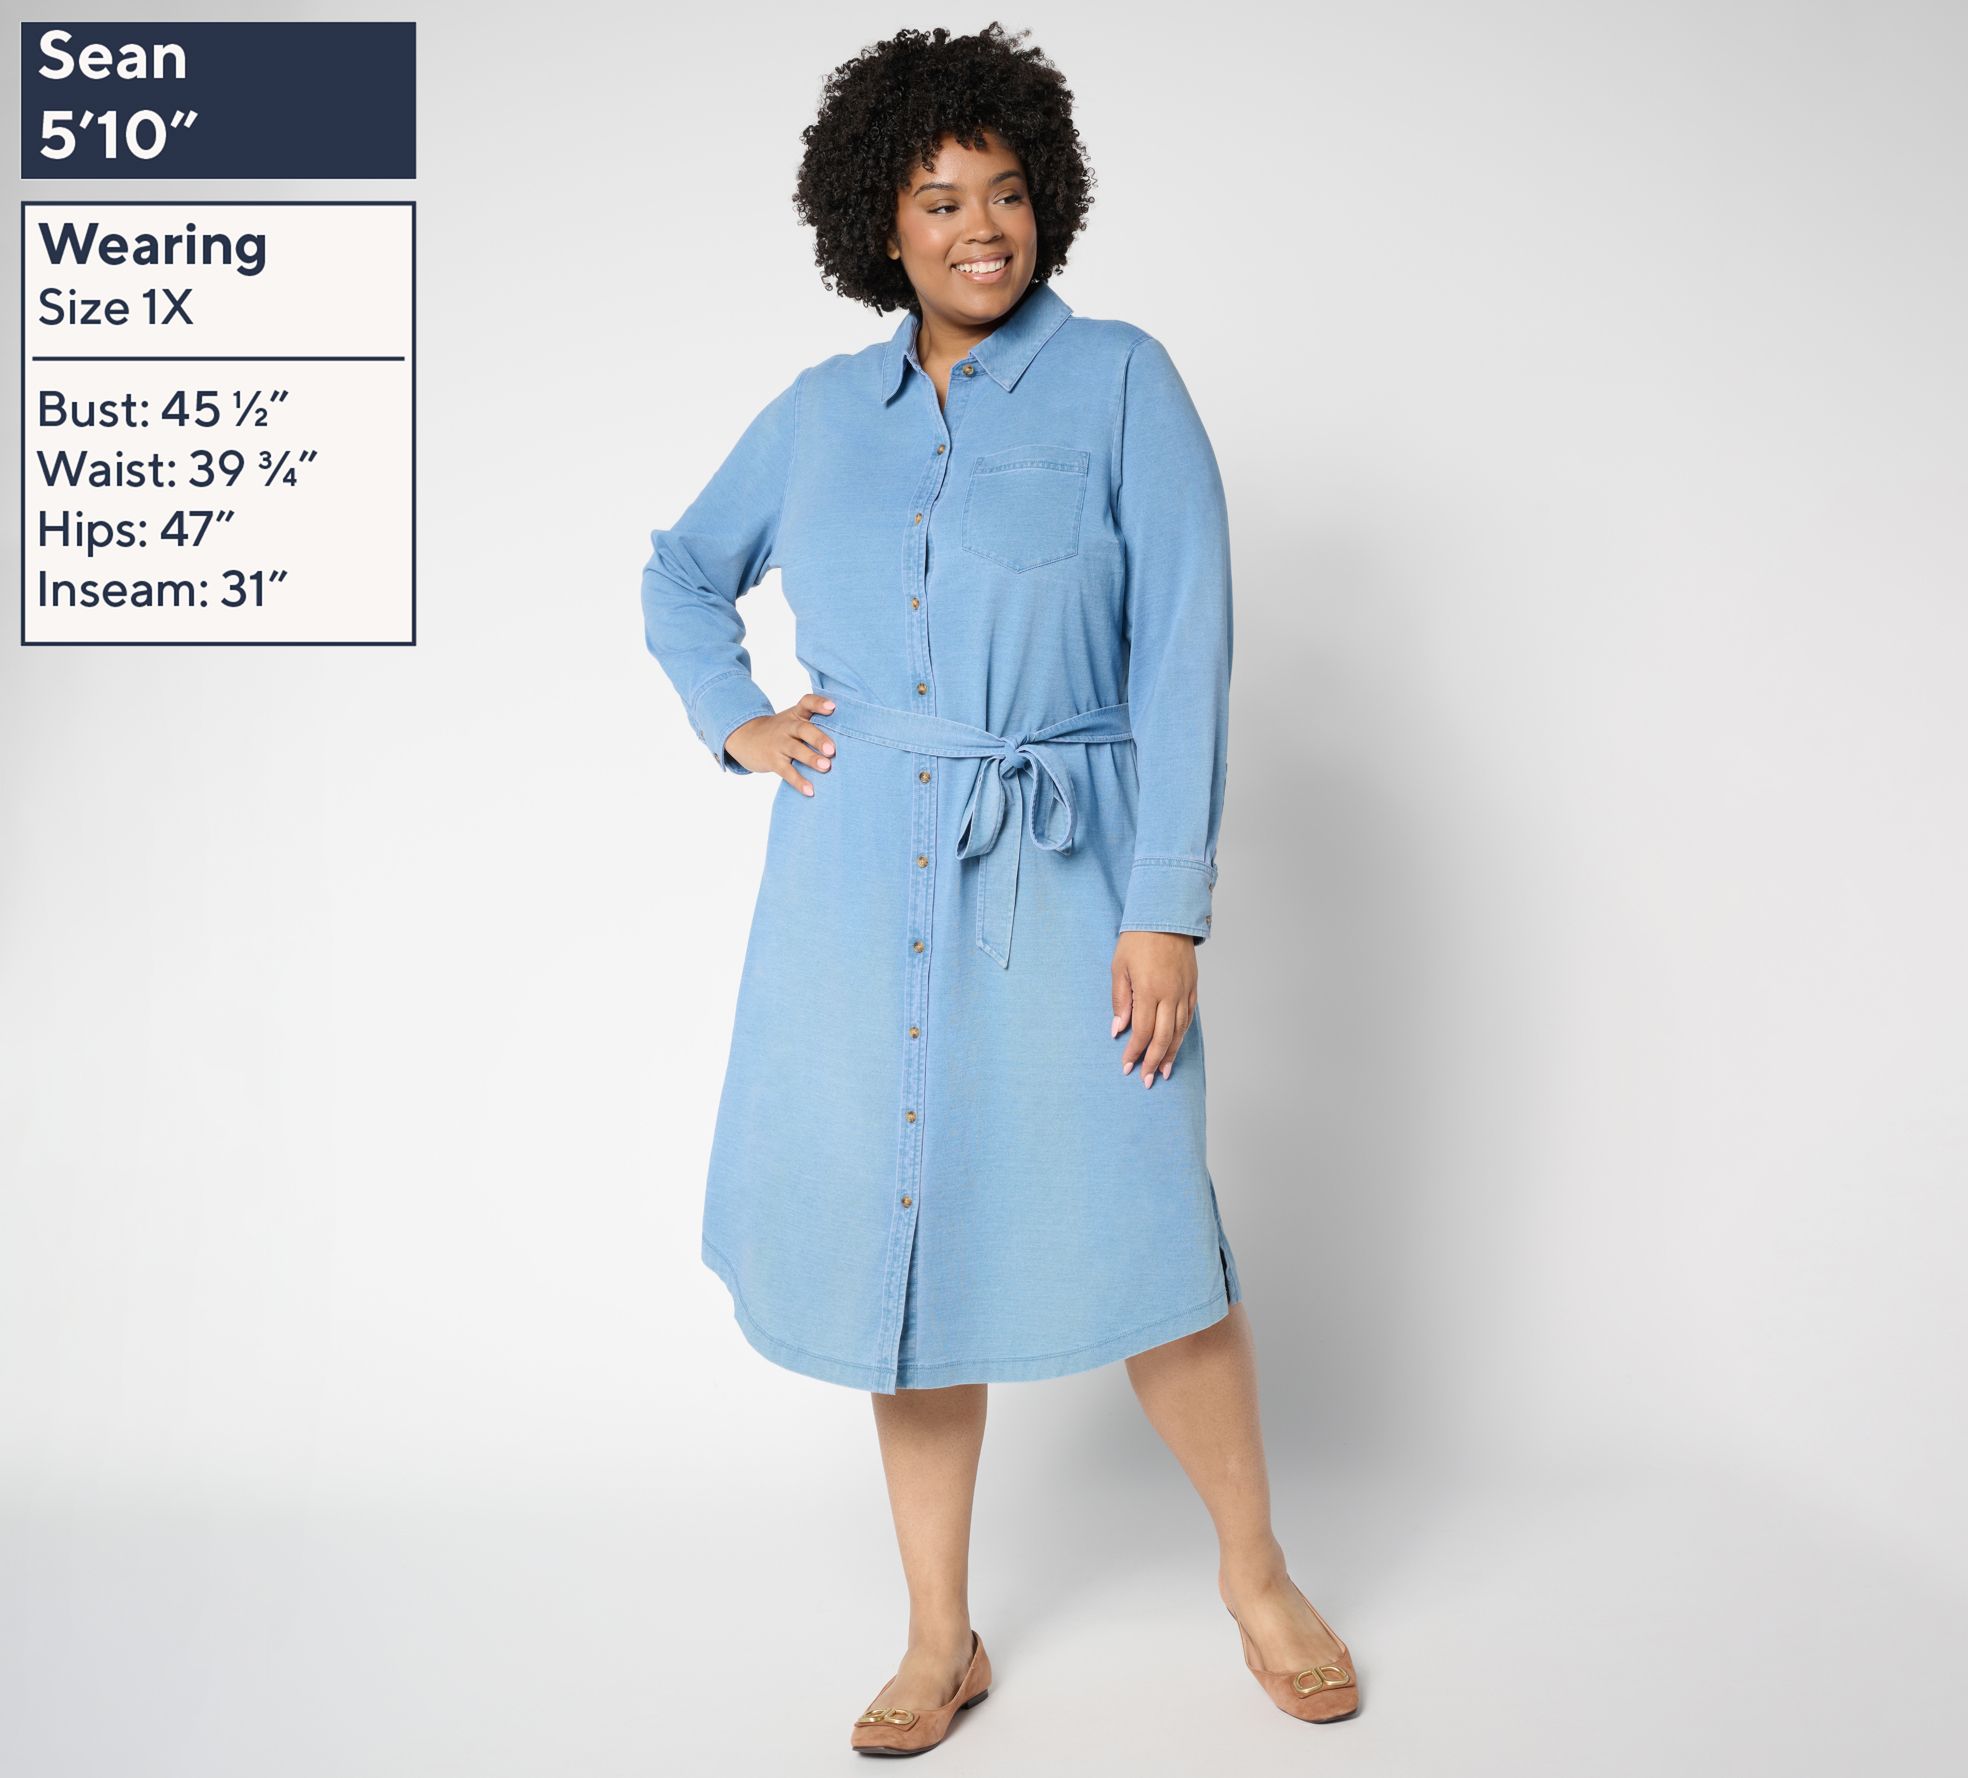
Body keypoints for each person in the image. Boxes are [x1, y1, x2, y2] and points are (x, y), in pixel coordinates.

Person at [639, 23, 1358, 1754]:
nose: (983, 227)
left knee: (1152, 1220)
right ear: (877, 224)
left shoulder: (1121, 383)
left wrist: (1165, 902)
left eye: (1009, 192)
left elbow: (1184, 648)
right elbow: (680, 574)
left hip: (1067, 869)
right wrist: (739, 720)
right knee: (909, 1244)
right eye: (942, 197)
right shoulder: (821, 416)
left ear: (1050, 203)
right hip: (851, 885)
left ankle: (1255, 1570)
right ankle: (937, 1632)